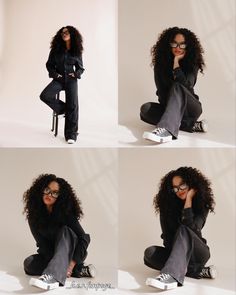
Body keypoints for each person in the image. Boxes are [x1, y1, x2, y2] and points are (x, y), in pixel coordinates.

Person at [144, 167, 216, 290]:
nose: (179, 190)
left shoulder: (202, 205)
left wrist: (188, 201)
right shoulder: (166, 208)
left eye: (182, 186)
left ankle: (171, 276)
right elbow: (167, 238)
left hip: (198, 252)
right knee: (150, 254)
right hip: (177, 253)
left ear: (192, 185)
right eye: (175, 188)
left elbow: (193, 230)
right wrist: (176, 253)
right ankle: (198, 271)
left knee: (184, 229)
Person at [23, 174, 95, 290]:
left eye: (55, 193)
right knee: (28, 264)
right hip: (52, 255)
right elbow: (42, 245)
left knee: (65, 231)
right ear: (41, 190)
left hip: (72, 253)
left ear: (60, 197)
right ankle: (79, 270)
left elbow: (84, 238)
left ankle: (52, 277)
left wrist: (71, 263)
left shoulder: (66, 214)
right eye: (47, 190)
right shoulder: (34, 217)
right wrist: (53, 261)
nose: (49, 195)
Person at [140, 27, 207, 143]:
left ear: (188, 46)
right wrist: (170, 108)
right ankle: (191, 125)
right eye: (174, 44)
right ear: (168, 44)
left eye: (182, 45)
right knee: (145, 110)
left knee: (177, 86)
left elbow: (187, 86)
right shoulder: (160, 66)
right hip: (170, 107)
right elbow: (161, 92)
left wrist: (176, 65)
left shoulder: (192, 64)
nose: (177, 48)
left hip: (191, 107)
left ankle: (165, 130)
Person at [40, 26, 84, 144]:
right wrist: (55, 75)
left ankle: (71, 135)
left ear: (72, 35)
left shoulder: (76, 50)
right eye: (62, 32)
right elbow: (49, 65)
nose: (64, 34)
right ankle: (63, 109)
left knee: (73, 105)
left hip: (71, 80)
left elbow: (81, 68)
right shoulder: (55, 50)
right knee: (45, 96)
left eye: (67, 32)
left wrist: (75, 74)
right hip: (59, 80)